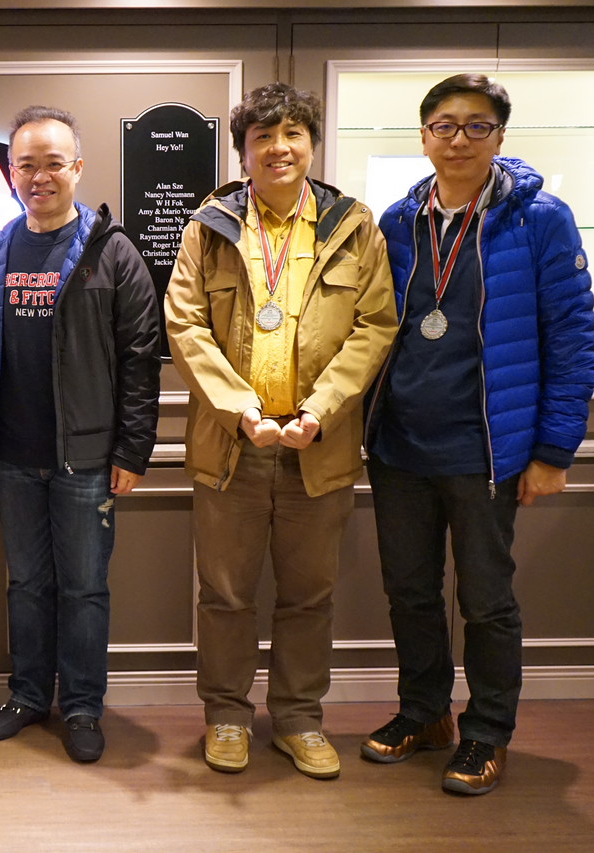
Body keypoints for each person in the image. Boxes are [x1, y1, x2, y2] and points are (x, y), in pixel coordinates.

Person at [360, 74, 594, 795]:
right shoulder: (398, 221)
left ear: (499, 135)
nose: (458, 139)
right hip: (400, 446)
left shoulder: (539, 219)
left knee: (487, 602)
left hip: (487, 449)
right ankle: (424, 711)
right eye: (444, 125)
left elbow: (573, 338)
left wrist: (553, 451)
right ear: (423, 136)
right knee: (410, 592)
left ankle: (487, 731)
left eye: (476, 126)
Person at [165, 83, 396, 779]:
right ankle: (227, 715)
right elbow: (185, 325)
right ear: (244, 153)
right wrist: (239, 408)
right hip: (233, 445)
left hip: (317, 445)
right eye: (263, 136)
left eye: (293, 133)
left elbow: (375, 325)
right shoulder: (209, 226)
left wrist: (320, 410)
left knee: (309, 597)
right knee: (225, 596)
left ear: (312, 145)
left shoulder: (354, 226)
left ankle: (299, 718)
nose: (279, 147)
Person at [0, 106, 160, 762]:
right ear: (10, 172)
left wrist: (132, 450)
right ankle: (27, 694)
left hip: (87, 458)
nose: (40, 176)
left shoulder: (113, 251)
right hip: (10, 457)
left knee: (83, 588)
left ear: (78, 167)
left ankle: (81, 705)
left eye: (54, 163)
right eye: (27, 164)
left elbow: (140, 359)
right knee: (26, 584)